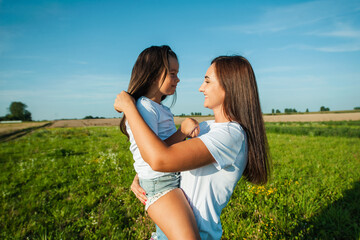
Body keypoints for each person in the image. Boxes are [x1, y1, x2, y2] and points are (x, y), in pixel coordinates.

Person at [115, 55, 271, 239]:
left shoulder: (231, 135)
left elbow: (161, 159)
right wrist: (141, 176)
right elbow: (168, 154)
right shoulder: (206, 128)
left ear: (230, 85)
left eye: (207, 81)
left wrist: (129, 107)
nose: (201, 88)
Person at [119, 45, 201, 240]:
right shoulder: (145, 106)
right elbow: (155, 150)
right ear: (153, 74)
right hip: (161, 183)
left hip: (166, 180)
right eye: (172, 73)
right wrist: (182, 131)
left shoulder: (157, 107)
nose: (178, 79)